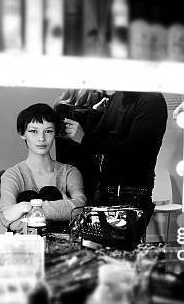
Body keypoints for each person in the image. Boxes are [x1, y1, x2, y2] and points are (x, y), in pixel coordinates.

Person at [63, 91, 167, 224]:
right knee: (94, 243)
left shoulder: (152, 100)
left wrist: (85, 139)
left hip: (131, 193)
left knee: (119, 243)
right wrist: (94, 115)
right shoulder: (118, 96)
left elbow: (135, 151)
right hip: (105, 190)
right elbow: (99, 138)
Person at [0, 103, 86, 232]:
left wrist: (26, 207)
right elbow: (7, 218)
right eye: (33, 131)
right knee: (26, 195)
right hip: (25, 247)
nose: (41, 138)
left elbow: (79, 208)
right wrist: (62, 210)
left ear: (55, 133)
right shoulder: (12, 175)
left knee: (50, 192)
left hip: (62, 247)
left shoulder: (69, 172)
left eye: (48, 131)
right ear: (22, 133)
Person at [53, 89, 108, 202]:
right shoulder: (64, 111)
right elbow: (79, 149)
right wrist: (94, 114)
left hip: (94, 180)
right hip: (74, 179)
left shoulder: (99, 111)